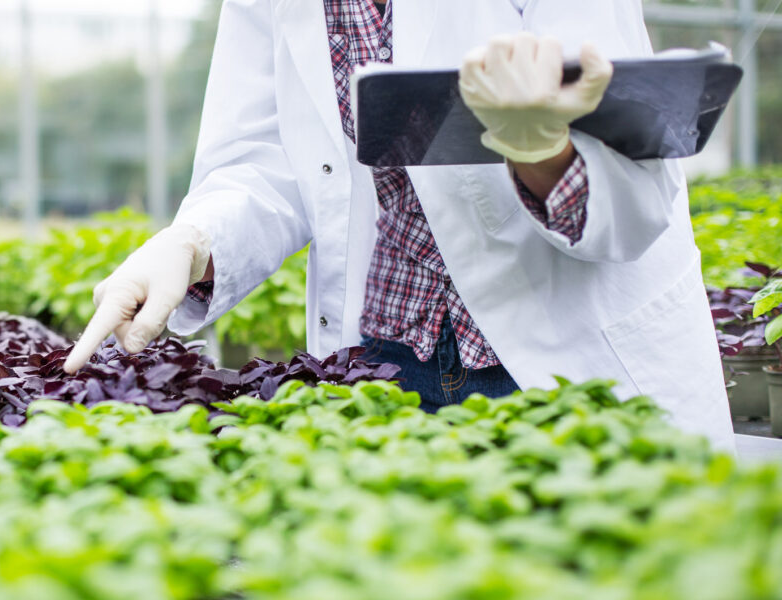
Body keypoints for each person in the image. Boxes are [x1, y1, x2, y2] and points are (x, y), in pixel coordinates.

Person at [63, 0, 734, 451]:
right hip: (384, 364)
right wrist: (193, 242)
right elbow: (270, 156)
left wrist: (542, 147)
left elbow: (637, 187)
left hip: (558, 360)